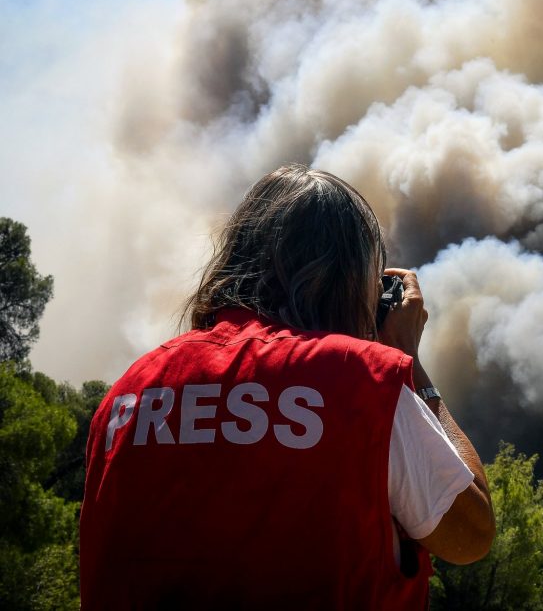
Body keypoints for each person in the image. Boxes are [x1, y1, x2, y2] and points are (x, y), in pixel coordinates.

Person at [79, 164, 495, 609]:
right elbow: (471, 535)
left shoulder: (128, 392)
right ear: (349, 279)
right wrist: (410, 366)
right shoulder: (361, 383)